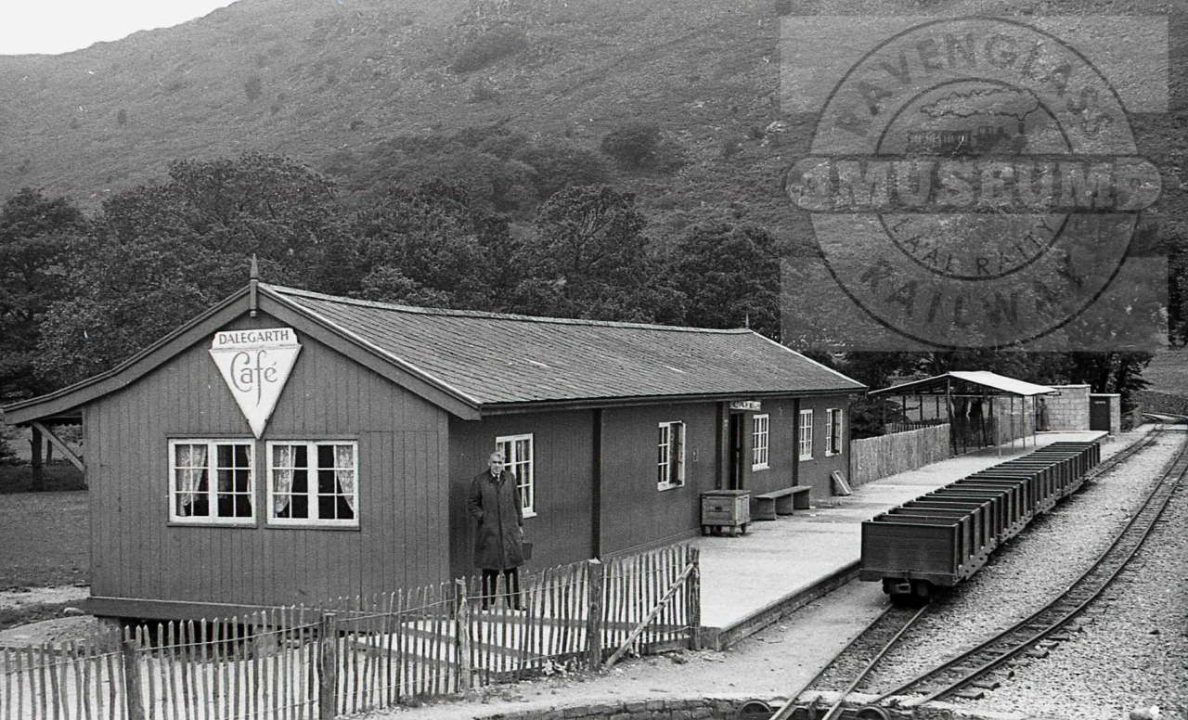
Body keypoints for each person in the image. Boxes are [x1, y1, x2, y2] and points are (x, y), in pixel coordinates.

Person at [467, 451, 526, 610]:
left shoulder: (510, 478)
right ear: (489, 463)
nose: (497, 466)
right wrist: (484, 518)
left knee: (511, 568)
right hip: (490, 532)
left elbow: (517, 501)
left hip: (509, 531)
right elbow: (472, 504)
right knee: (490, 569)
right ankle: (487, 603)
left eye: (500, 463)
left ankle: (515, 603)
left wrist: (519, 524)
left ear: (503, 464)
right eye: (494, 462)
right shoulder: (480, 481)